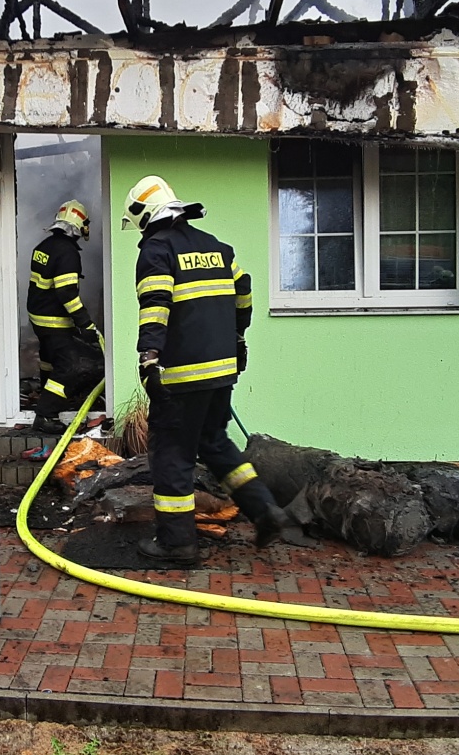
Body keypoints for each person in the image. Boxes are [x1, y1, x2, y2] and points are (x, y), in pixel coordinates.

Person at [122, 175, 302, 566]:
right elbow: (244, 291)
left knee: (172, 454)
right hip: (221, 372)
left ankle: (177, 543)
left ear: (144, 215)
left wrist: (149, 357)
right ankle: (266, 512)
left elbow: (155, 304)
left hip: (181, 377)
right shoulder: (217, 248)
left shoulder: (157, 250)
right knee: (215, 443)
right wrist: (238, 338)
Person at [27, 198, 103, 432]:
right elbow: (67, 292)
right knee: (69, 366)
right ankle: (45, 414)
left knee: (49, 359)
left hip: (38, 317)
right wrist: (85, 324)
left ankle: (44, 392)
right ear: (79, 225)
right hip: (54, 321)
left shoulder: (44, 246)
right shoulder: (67, 252)